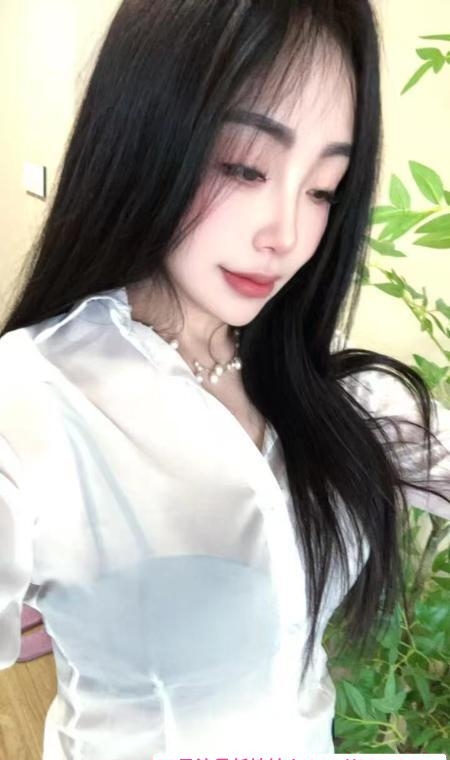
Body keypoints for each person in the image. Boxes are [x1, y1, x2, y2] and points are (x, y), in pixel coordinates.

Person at [0, 1, 449, 758]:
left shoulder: (332, 388)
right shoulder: (32, 395)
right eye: (244, 166)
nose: (287, 235)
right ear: (146, 134)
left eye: (323, 189)